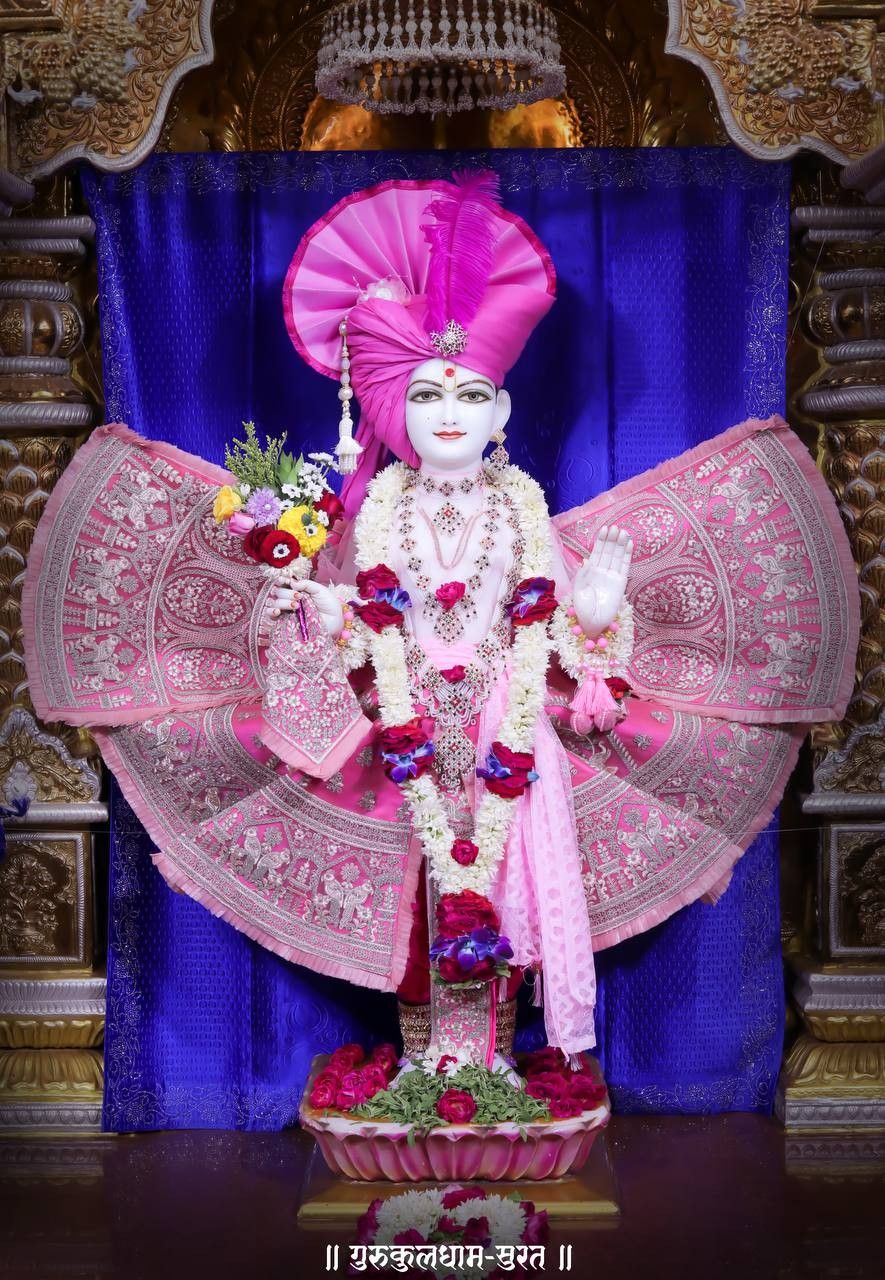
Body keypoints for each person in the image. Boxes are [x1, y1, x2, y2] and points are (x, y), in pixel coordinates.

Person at [23, 172, 858, 1066]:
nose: (448, 415)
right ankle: (434, 1064)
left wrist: (594, 612)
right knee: (416, 890)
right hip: (400, 732)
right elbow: (348, 625)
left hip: (512, 729)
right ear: (390, 410)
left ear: (499, 408)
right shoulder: (372, 511)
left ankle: (487, 1058)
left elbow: (570, 642)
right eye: (425, 396)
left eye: (466, 396)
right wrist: (313, 613)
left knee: (501, 879)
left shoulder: (523, 510)